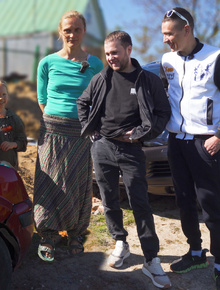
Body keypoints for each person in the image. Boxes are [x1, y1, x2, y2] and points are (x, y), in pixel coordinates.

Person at [77, 31, 172, 288]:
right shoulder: (100, 79)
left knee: (140, 203)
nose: (111, 58)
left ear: (129, 50)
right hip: (102, 148)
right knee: (109, 200)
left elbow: (163, 112)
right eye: (108, 54)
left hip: (131, 151)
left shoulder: (147, 80)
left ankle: (151, 259)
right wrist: (90, 131)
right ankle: (120, 242)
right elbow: (82, 103)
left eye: (115, 53)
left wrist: (142, 133)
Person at [33, 10, 103, 262]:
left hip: (80, 132)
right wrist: (57, 118)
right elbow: (42, 99)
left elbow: (97, 99)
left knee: (78, 181)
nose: (72, 34)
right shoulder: (47, 63)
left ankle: (75, 233)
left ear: (84, 32)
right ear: (60, 32)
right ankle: (48, 234)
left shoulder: (95, 64)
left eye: (77, 29)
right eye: (67, 29)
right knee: (48, 180)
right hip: (52, 129)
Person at [161, 7, 220, 289]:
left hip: (205, 143)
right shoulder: (167, 60)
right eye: (163, 34)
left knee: (211, 205)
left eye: (169, 34)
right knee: (184, 200)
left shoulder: (215, 57)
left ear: (186, 30)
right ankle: (195, 253)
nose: (165, 40)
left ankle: (219, 261)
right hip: (176, 142)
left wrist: (219, 135)